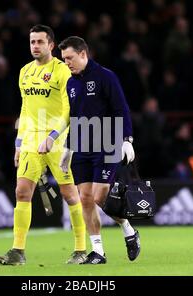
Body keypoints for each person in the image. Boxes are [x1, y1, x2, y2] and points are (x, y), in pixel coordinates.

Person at [0, 25, 86, 266]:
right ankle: (18, 251)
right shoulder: (24, 72)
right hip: (31, 140)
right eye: (32, 42)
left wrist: (53, 136)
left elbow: (68, 110)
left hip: (59, 141)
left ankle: (80, 249)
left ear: (51, 45)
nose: (35, 46)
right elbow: (25, 109)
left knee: (69, 194)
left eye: (40, 42)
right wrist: (18, 142)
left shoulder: (62, 71)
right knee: (22, 192)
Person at [58, 36, 139, 264]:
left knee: (100, 195)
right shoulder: (71, 83)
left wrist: (127, 139)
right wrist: (68, 147)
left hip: (108, 142)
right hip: (82, 147)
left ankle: (127, 228)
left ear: (83, 54)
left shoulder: (106, 76)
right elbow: (75, 117)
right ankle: (98, 252)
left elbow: (121, 109)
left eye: (70, 58)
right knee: (85, 199)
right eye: (64, 59)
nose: (67, 63)